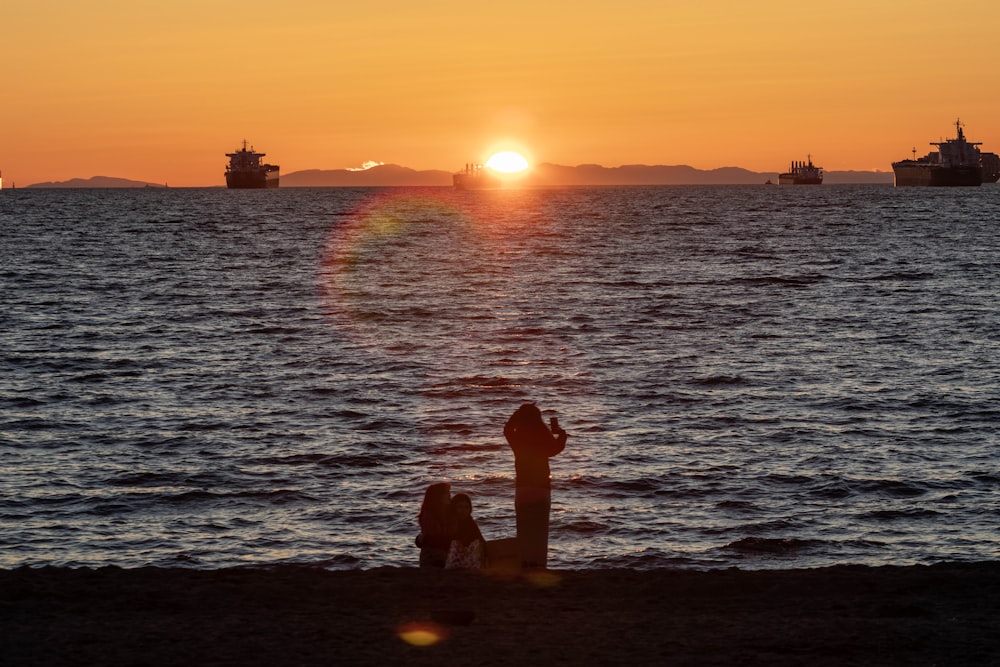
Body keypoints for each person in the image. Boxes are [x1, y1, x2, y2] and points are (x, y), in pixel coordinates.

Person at [503, 403, 567, 570]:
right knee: (540, 530)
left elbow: (507, 430)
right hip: (541, 488)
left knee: (524, 528)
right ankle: (539, 563)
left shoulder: (518, 440)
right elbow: (556, 448)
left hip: (523, 488)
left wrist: (516, 415)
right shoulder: (543, 438)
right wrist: (561, 434)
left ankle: (524, 562)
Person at [445, 493, 486, 570]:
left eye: (466, 507)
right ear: (454, 508)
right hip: (450, 560)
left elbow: (480, 539)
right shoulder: (449, 522)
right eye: (460, 507)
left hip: (468, 560)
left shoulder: (470, 522)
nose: (463, 511)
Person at [416, 482, 452, 568]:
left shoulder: (448, 512)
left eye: (449, 492)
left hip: (444, 554)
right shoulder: (428, 515)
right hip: (433, 557)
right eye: (446, 493)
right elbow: (434, 539)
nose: (449, 495)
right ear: (437, 496)